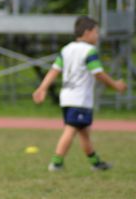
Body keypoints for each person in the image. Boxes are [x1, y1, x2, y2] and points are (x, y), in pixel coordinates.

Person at [33, 15, 127, 172]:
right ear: (87, 32)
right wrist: (115, 85)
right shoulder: (89, 51)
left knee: (84, 132)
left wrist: (42, 87)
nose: (98, 36)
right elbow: (98, 73)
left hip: (67, 97)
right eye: (96, 32)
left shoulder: (66, 49)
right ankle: (56, 163)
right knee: (71, 129)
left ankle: (96, 163)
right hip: (80, 98)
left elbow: (54, 70)